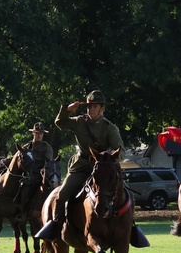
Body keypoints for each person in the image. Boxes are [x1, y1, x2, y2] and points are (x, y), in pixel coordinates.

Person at [35, 91, 124, 238]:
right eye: (89, 106)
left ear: (102, 108)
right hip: (82, 166)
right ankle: (56, 227)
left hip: (104, 168)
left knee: (124, 193)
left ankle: (130, 227)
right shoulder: (79, 122)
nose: (91, 109)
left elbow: (120, 151)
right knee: (62, 194)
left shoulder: (110, 128)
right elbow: (60, 123)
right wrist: (68, 110)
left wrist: (108, 158)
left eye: (94, 106)